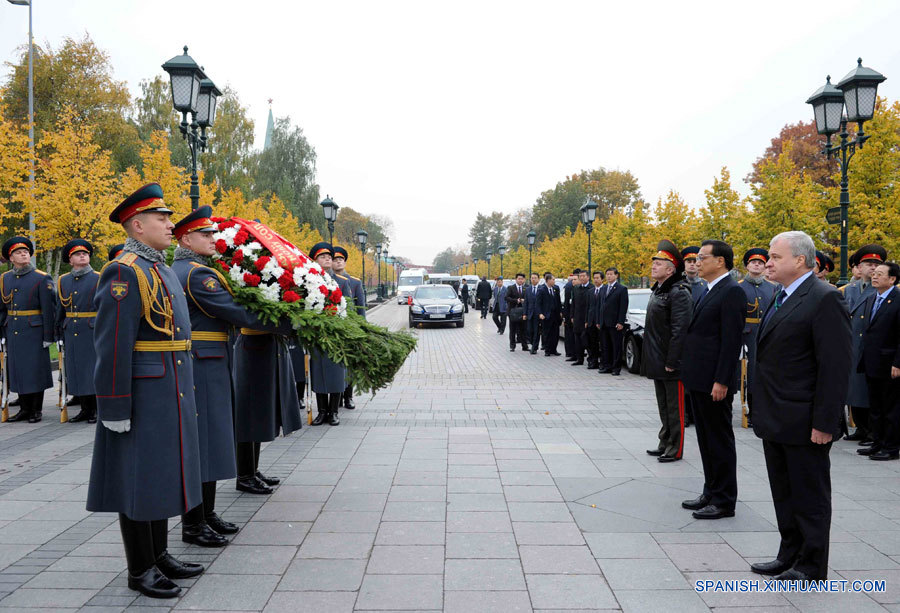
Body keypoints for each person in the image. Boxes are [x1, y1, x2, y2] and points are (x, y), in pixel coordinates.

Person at [86, 183, 204, 598]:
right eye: (162, 219)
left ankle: (159, 553)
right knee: (138, 479)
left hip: (168, 386)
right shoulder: (124, 270)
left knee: (161, 474)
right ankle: (140, 568)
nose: (171, 225)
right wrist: (114, 406)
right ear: (137, 225)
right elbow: (112, 343)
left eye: (169, 218)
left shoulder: (161, 267)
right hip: (142, 390)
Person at [172, 207, 293, 544]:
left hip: (207, 360)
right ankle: (194, 524)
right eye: (206, 234)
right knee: (206, 444)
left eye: (212, 233)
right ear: (186, 239)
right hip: (204, 362)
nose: (214, 238)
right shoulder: (197, 274)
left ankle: (205, 515)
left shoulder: (190, 269)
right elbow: (235, 311)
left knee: (208, 443)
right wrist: (288, 320)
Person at [750, 230, 851, 582]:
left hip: (804, 418)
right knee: (784, 492)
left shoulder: (823, 298)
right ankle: (789, 553)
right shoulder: (782, 295)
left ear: (800, 260)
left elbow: (835, 366)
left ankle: (811, 564)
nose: (768, 262)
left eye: (775, 257)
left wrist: (825, 422)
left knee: (809, 495)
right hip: (776, 416)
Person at [680, 240, 745, 520]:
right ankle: (711, 490)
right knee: (706, 439)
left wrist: (722, 381)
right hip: (699, 377)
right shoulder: (707, 290)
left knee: (719, 440)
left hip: (714, 381)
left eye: (702, 258)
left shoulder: (732, 292)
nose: (697, 262)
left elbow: (730, 342)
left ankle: (724, 500)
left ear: (720, 261)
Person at [642, 241, 693, 463]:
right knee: (664, 406)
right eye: (654, 262)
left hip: (670, 361)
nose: (653, 266)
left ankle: (676, 447)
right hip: (658, 358)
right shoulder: (660, 290)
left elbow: (680, 330)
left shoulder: (678, 292)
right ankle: (665, 441)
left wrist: (673, 360)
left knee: (675, 408)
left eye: (659, 263)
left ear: (671, 269)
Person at [0, 237, 55, 423]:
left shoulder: (41, 277)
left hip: (34, 330)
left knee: (34, 370)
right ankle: (24, 408)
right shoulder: (5, 279)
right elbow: (2, 308)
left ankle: (35, 410)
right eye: (18, 252)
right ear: (11, 258)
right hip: (13, 329)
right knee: (18, 370)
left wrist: (49, 335)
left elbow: (49, 309)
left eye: (25, 252)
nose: (23, 254)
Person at [856, 261, 900, 461]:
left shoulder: (897, 299)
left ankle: (891, 447)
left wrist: (898, 363)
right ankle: (877, 442)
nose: (874, 275)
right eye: (874, 273)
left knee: (890, 408)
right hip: (872, 361)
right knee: (875, 406)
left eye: (880, 273)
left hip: (890, 364)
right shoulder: (873, 298)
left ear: (892, 279)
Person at [840, 246, 884, 443]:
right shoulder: (849, 290)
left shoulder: (883, 291)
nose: (872, 268)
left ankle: (872, 431)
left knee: (869, 390)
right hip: (851, 345)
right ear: (859, 266)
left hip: (872, 346)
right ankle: (860, 427)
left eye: (877, 264)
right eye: (868, 264)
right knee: (854, 388)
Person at [55, 239, 99, 423]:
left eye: (85, 253)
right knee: (76, 371)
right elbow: (60, 309)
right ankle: (84, 409)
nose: (82, 256)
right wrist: (57, 333)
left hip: (92, 330)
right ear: (70, 260)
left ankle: (95, 409)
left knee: (92, 370)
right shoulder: (64, 280)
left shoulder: (99, 277)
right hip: (71, 329)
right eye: (77, 254)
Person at [307, 242, 352, 426]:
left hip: (336, 335)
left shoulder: (342, 282)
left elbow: (350, 308)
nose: (327, 259)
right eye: (322, 256)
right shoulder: (308, 280)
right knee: (318, 374)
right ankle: (322, 412)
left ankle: (333, 411)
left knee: (335, 373)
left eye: (329, 257)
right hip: (317, 335)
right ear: (314, 260)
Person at [738, 248, 778, 426]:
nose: (757, 265)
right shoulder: (738, 287)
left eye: (761, 262)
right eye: (753, 262)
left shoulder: (773, 287)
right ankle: (752, 411)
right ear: (747, 265)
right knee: (750, 374)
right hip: (747, 335)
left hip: (767, 335)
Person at [332, 246, 365, 410]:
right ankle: (336, 397)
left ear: (345, 262)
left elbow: (361, 308)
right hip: (333, 328)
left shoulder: (355, 282)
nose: (338, 261)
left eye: (341, 259)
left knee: (349, 364)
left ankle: (348, 397)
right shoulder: (327, 279)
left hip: (350, 328)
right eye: (335, 259)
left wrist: (361, 328)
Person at [598, 267, 629, 376]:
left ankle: (616, 368)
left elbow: (623, 307)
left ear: (616, 276)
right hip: (604, 323)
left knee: (616, 346)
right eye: (607, 274)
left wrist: (620, 322)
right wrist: (599, 320)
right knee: (605, 346)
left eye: (611, 274)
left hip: (615, 323)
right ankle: (607, 366)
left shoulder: (621, 289)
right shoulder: (603, 288)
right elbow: (600, 306)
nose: (609, 276)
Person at [537, 272, 561, 356]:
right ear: (548, 280)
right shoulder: (542, 289)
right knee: (547, 333)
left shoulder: (556, 289)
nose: (554, 281)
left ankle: (554, 349)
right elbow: (538, 303)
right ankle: (547, 350)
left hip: (555, 315)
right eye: (553, 279)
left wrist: (560, 312)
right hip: (546, 315)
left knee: (555, 334)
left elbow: (558, 301)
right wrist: (540, 313)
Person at [570, 269, 591, 365]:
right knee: (577, 339)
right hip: (577, 318)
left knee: (588, 340)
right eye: (580, 276)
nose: (582, 278)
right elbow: (573, 303)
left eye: (584, 276)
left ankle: (592, 359)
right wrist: (572, 316)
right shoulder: (576, 288)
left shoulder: (592, 288)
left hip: (587, 318)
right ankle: (579, 359)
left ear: (588, 277)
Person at [505, 273, 528, 352]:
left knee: (523, 329)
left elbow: (528, 299)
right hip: (513, 312)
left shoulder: (526, 288)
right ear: (516, 279)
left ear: (524, 280)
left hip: (522, 312)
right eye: (519, 279)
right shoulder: (511, 288)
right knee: (512, 330)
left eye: (522, 279)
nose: (520, 280)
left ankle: (524, 346)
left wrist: (524, 301)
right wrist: (516, 300)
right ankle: (512, 345)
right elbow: (507, 297)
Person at [586, 270, 604, 369]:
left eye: (598, 278)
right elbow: (588, 307)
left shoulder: (605, 290)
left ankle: (602, 362)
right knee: (592, 343)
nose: (596, 280)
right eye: (595, 278)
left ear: (602, 279)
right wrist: (586, 320)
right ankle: (593, 361)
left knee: (602, 343)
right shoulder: (590, 291)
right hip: (591, 321)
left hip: (601, 321)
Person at [525, 272, 542, 354]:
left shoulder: (541, 289)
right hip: (530, 313)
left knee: (536, 331)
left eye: (535, 278)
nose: (533, 279)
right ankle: (532, 343)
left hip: (538, 314)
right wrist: (525, 314)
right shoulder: (528, 289)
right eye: (532, 278)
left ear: (538, 279)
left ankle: (534, 347)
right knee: (529, 330)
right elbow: (526, 303)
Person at [562, 271, 578, 358]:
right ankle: (572, 352)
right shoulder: (571, 287)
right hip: (571, 315)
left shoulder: (568, 286)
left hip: (569, 314)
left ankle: (570, 352)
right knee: (571, 335)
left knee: (569, 335)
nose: (573, 281)